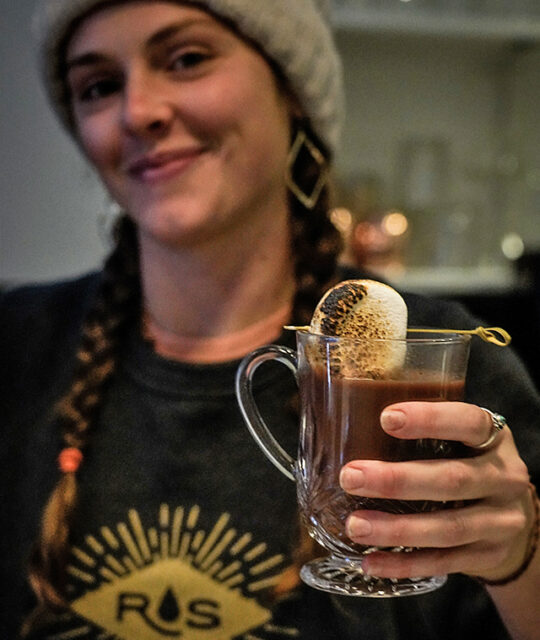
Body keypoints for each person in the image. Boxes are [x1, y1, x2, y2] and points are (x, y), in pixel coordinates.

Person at [1, 1, 539, 638]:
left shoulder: (440, 365)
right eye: (98, 86)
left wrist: (521, 561)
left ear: (294, 92)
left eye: (187, 59)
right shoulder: (15, 344)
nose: (138, 111)